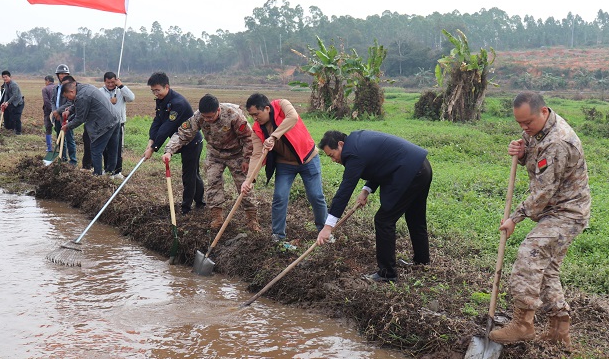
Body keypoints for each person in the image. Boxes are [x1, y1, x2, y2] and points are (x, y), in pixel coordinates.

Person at [488, 91, 591, 349]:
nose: (524, 129)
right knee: (546, 268)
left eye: (528, 123)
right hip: (553, 210)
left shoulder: (558, 142)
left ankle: (523, 325)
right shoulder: (539, 130)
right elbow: (535, 160)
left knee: (530, 253)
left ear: (543, 112)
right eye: (519, 124)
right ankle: (559, 330)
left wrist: (515, 217)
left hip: (567, 212)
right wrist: (521, 154)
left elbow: (544, 191)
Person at [317, 130, 432, 283]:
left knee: (384, 220)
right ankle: (422, 262)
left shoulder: (353, 153)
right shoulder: (357, 141)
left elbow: (345, 190)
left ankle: (387, 274)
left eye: (332, 155)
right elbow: (380, 162)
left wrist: (328, 226)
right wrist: (366, 190)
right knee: (415, 218)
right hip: (421, 167)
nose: (333, 160)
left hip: (409, 173)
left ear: (340, 144)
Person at [163, 94, 258, 231]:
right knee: (213, 184)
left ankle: (252, 219)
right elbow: (184, 133)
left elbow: (249, 138)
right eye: (205, 117)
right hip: (215, 154)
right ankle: (217, 217)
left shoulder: (234, 115)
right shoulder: (198, 116)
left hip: (236, 154)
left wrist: (247, 159)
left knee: (244, 186)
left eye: (210, 117)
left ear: (218, 110)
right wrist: (169, 150)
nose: (207, 120)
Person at [241, 93, 327, 244]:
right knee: (279, 197)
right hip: (285, 165)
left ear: (267, 108)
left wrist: (273, 137)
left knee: (316, 196)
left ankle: (324, 231)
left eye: (256, 114)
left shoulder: (282, 105)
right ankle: (278, 236)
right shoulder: (257, 130)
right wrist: (249, 180)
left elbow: (293, 118)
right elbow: (256, 155)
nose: (255, 118)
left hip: (308, 158)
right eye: (251, 115)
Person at [144, 72, 205, 214]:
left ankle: (186, 209)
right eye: (153, 91)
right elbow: (158, 121)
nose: (155, 93)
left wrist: (154, 148)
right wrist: (151, 140)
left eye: (157, 90)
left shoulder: (178, 103)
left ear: (167, 87)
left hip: (192, 142)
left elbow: (167, 127)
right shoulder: (161, 100)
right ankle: (200, 203)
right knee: (193, 174)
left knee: (189, 174)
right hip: (179, 141)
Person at [53, 80, 121, 176]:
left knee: (96, 149)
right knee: (112, 149)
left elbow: (80, 118)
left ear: (71, 91)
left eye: (67, 97)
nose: (69, 99)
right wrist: (70, 110)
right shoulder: (84, 88)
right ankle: (111, 173)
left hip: (105, 123)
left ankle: (97, 174)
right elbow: (79, 103)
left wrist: (67, 126)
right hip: (115, 119)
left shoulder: (82, 96)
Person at [98, 71, 134, 179]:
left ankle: (117, 171)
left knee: (117, 148)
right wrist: (109, 102)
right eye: (108, 82)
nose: (110, 85)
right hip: (105, 125)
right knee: (105, 149)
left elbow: (131, 98)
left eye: (113, 82)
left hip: (119, 124)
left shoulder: (121, 91)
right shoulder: (99, 92)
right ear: (104, 81)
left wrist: (121, 86)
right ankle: (108, 169)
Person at [52, 64, 77, 165]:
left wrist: (58, 111)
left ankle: (73, 160)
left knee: (69, 138)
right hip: (57, 117)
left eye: (64, 74)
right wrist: (55, 112)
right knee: (59, 136)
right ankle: (62, 157)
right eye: (60, 74)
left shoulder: (71, 88)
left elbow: (70, 102)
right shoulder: (56, 88)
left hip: (67, 116)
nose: (62, 76)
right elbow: (52, 100)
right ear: (57, 75)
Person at [0, 70, 24, 135]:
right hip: (12, 102)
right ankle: (10, 130)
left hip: (18, 103)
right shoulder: (6, 84)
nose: (5, 78)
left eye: (6, 77)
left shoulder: (13, 84)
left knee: (16, 118)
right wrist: (4, 102)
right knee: (9, 116)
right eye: (3, 77)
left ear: (9, 77)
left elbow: (15, 95)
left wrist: (8, 102)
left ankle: (18, 132)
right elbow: (6, 94)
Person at [42, 75, 56, 152]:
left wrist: (52, 110)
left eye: (45, 81)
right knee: (60, 128)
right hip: (59, 111)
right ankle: (60, 146)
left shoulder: (45, 89)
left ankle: (49, 148)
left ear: (47, 80)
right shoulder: (57, 87)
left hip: (48, 111)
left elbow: (46, 101)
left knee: (48, 129)